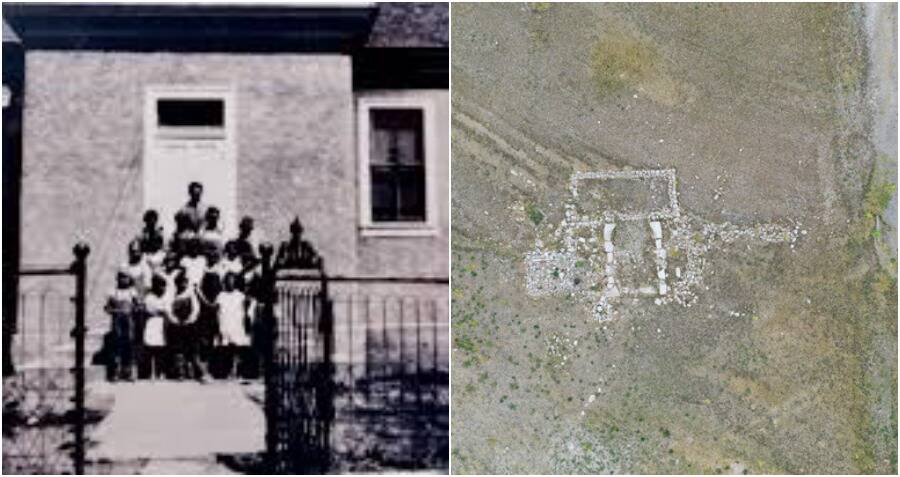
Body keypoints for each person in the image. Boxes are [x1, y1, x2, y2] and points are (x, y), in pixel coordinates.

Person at [215, 273, 254, 379]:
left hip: (237, 324)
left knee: (238, 349)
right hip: (225, 323)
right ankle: (226, 371)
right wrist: (218, 325)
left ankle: (236, 370)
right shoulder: (221, 295)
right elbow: (217, 312)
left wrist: (246, 325)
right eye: (228, 280)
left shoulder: (240, 295)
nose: (230, 283)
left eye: (232, 280)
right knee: (226, 350)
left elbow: (246, 312)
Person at [104, 271, 139, 381]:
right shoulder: (113, 292)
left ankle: (128, 372)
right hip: (117, 321)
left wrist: (132, 309)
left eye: (126, 278)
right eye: (121, 278)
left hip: (129, 322)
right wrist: (115, 310)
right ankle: (115, 372)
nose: (124, 280)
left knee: (128, 345)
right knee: (116, 345)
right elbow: (107, 308)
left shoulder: (132, 292)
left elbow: (137, 306)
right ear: (117, 279)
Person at [168, 270, 202, 380]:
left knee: (193, 348)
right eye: (180, 282)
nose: (182, 284)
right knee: (179, 349)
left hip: (190, 325)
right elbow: (168, 309)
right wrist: (174, 320)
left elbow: (196, 308)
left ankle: (197, 372)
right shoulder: (173, 295)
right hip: (177, 325)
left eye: (184, 282)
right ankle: (180, 372)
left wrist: (190, 319)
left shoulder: (190, 294)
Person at [139, 274, 169, 380]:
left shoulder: (165, 297)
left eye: (164, 286)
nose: (163, 289)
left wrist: (162, 311)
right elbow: (150, 310)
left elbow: (166, 310)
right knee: (151, 348)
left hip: (162, 324)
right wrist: (159, 311)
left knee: (160, 349)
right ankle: (150, 373)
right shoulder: (149, 297)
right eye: (160, 286)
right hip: (151, 323)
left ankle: (160, 372)